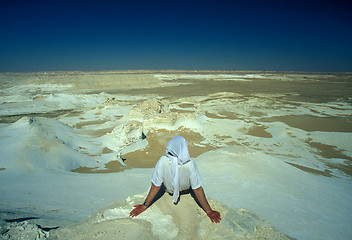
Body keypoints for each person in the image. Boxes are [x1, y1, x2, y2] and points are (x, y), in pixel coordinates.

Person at [129, 135, 221, 223]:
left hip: (167, 190)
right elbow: (196, 189)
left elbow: (156, 186)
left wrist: (144, 205)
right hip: (186, 191)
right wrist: (209, 211)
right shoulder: (190, 163)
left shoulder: (162, 161)